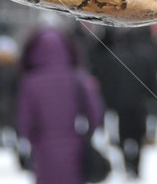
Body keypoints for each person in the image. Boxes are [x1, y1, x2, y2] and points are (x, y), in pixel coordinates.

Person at [15, 28, 105, 184]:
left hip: (43, 148)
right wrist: (88, 133)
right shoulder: (78, 78)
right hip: (75, 144)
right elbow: (95, 112)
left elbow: (24, 119)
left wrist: (29, 139)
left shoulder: (29, 82)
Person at [90, 27, 157, 179]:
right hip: (139, 105)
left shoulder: (116, 56)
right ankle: (135, 167)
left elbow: (108, 83)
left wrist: (109, 103)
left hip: (122, 106)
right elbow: (152, 82)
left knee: (124, 136)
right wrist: (154, 102)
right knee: (137, 136)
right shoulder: (146, 56)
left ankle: (129, 166)